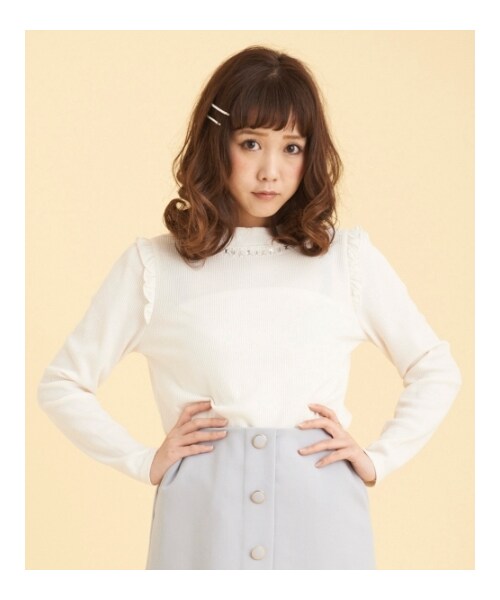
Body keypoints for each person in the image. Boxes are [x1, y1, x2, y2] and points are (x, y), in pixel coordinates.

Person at [37, 45, 462, 570]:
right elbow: (63, 383)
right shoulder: (155, 266)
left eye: (292, 147)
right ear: (217, 143)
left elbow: (434, 368)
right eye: (251, 143)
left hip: (323, 528)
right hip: (200, 527)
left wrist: (378, 459)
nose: (270, 171)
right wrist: (143, 461)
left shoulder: (345, 260)